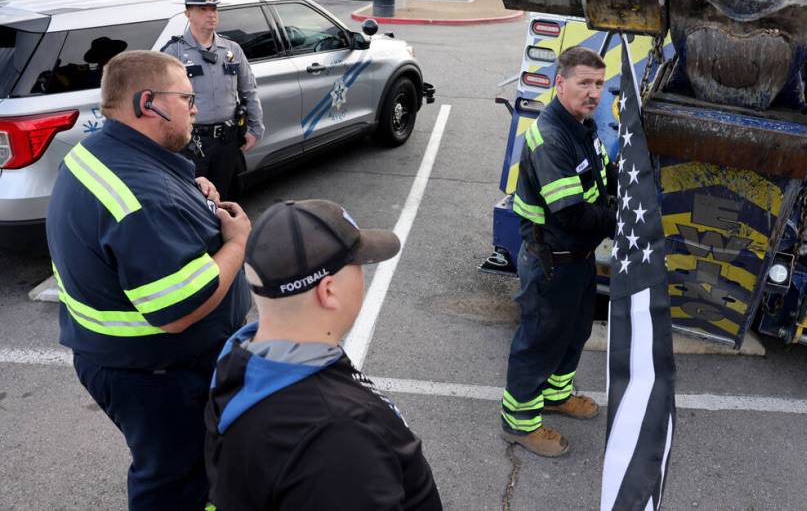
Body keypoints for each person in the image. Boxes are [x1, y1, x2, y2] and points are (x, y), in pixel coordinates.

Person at [46, 50, 253, 510]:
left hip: (131, 362)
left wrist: (193, 194)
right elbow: (178, 309)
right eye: (187, 98)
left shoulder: (107, 152)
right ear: (149, 103)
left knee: (180, 470)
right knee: (175, 481)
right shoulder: (141, 194)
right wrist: (237, 242)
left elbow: (136, 220)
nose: (195, 108)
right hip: (157, 373)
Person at [205, 199, 443, 511]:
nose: (362, 275)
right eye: (357, 264)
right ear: (328, 291)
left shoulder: (244, 357)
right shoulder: (336, 439)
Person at [500, 46, 617, 457]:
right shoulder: (551, 137)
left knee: (574, 334)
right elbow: (569, 214)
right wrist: (621, 218)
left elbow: (602, 180)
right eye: (584, 83)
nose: (593, 92)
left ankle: (556, 394)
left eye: (599, 84)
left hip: (578, 262)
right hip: (551, 263)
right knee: (538, 343)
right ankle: (520, 423)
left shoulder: (583, 126)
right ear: (560, 83)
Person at [161, 0, 264, 200]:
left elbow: (249, 91)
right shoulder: (174, 53)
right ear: (188, 13)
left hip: (227, 141)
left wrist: (255, 128)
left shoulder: (232, 49)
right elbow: (163, 102)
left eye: (214, 8)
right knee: (194, 200)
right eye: (203, 9)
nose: (211, 14)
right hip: (192, 143)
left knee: (225, 197)